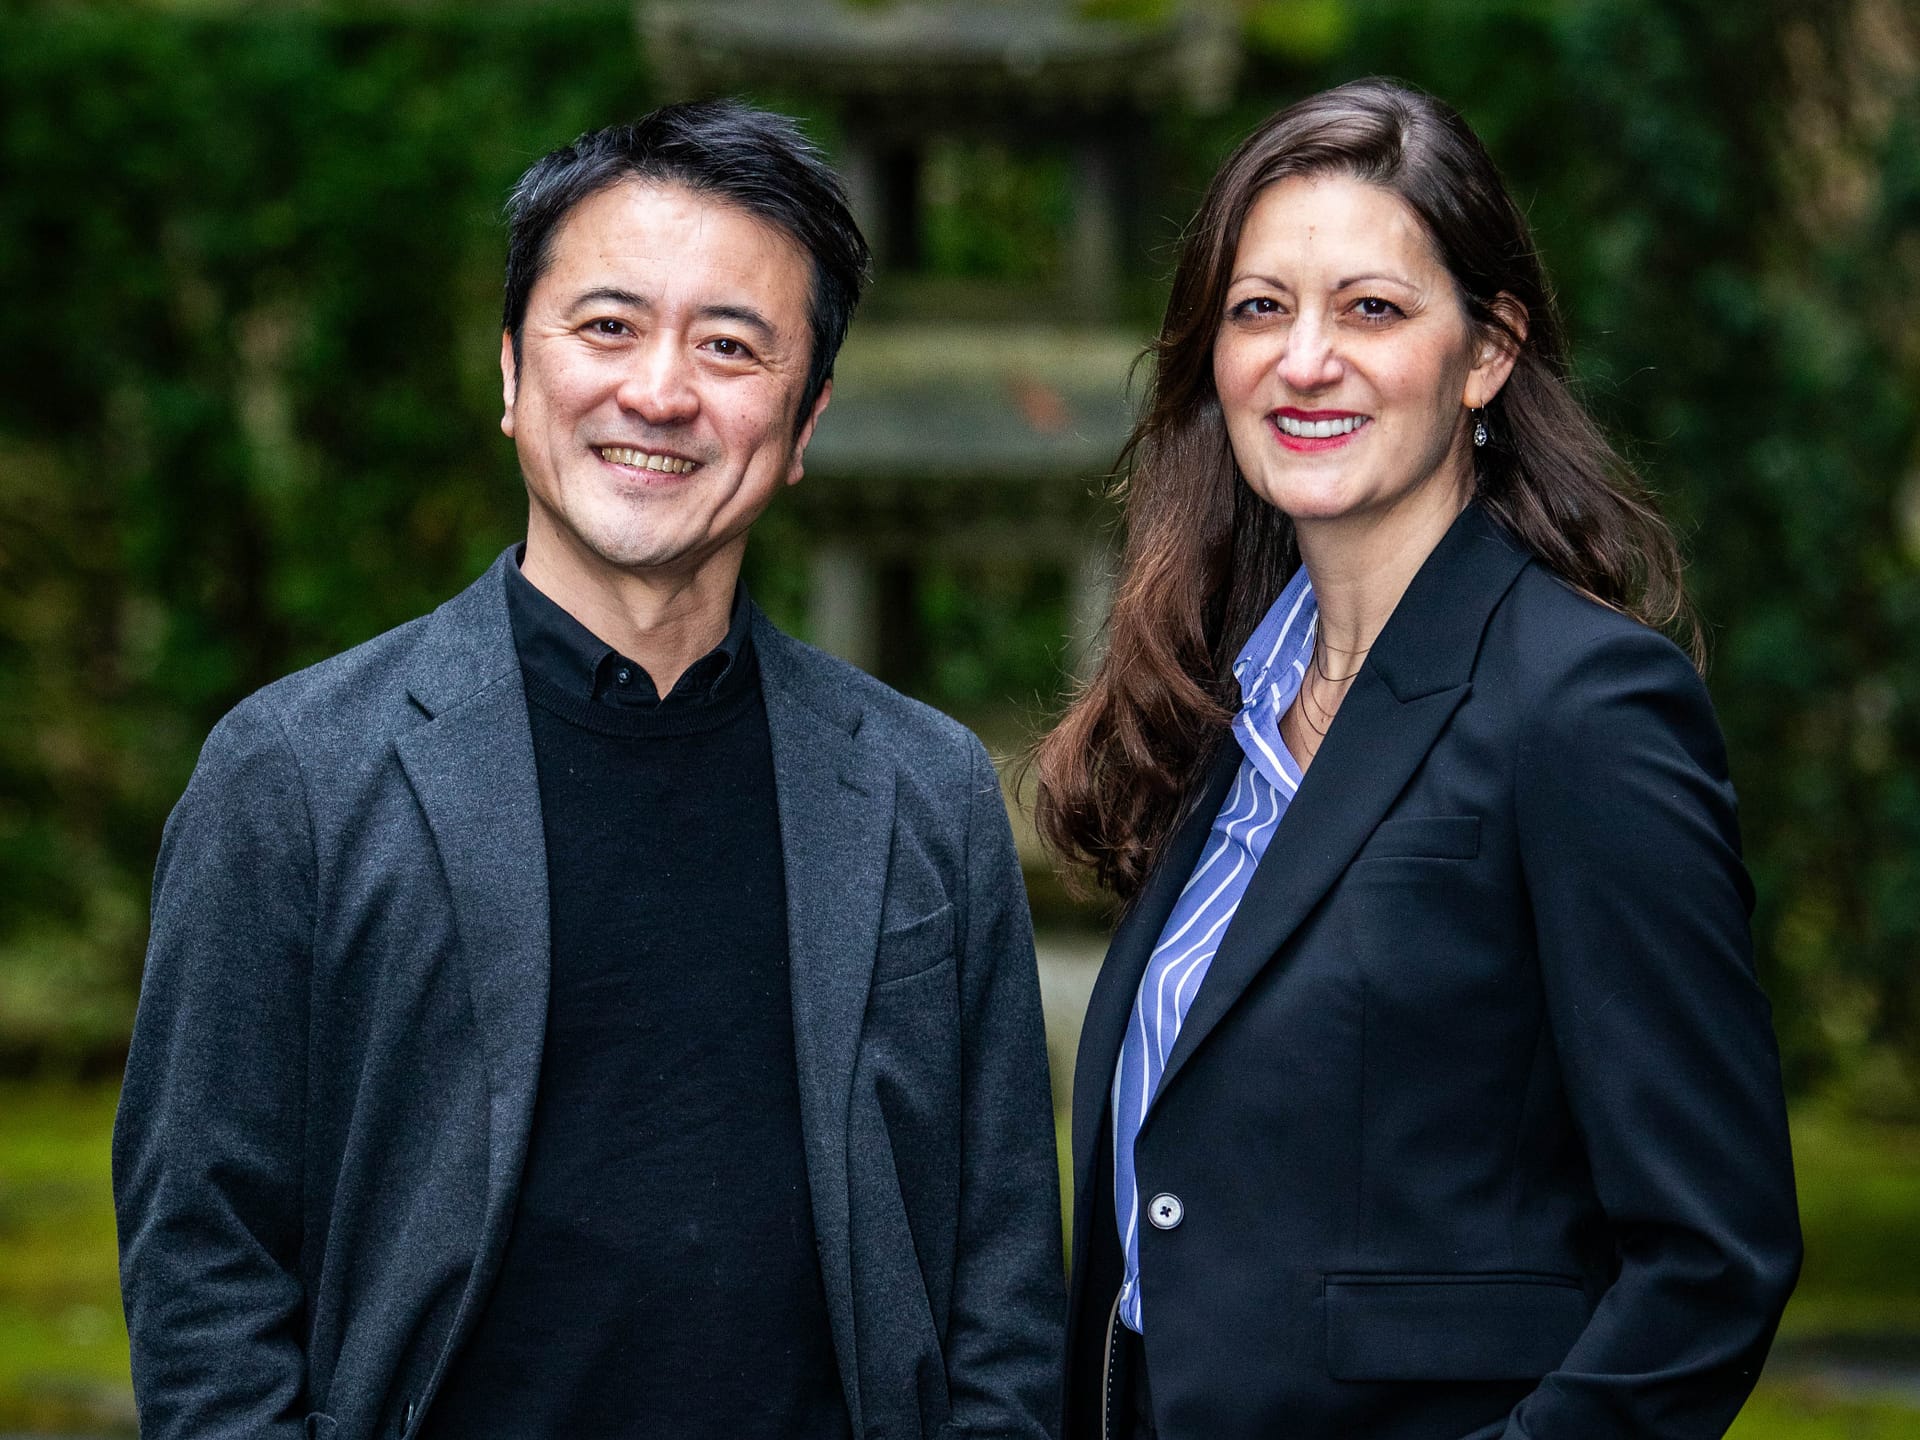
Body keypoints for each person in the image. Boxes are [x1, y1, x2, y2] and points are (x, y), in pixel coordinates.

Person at [113, 100, 1063, 1440]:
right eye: (607, 327)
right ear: (511, 372)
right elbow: (205, 1265)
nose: (661, 391)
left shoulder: (925, 789)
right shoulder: (295, 775)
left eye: (731, 347)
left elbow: (1002, 1286)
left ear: (804, 424)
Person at [1034, 78, 1800, 1440]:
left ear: (1488, 352)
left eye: (1371, 310)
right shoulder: (1227, 706)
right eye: (1259, 308)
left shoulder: (1581, 707)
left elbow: (1711, 1259)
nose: (1304, 358)